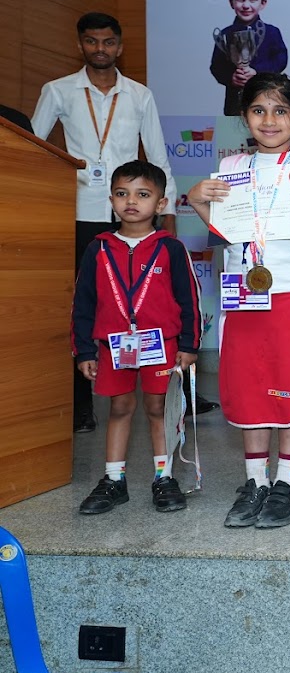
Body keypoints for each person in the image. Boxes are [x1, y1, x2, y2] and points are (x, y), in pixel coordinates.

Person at [185, 73, 290, 529]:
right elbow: (226, 232)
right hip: (244, 299)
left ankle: (286, 484)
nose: (269, 120)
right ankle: (255, 482)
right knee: (251, 388)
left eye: (280, 111)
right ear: (244, 116)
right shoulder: (231, 168)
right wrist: (197, 202)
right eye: (258, 110)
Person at [33, 12, 179, 433]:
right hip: (78, 213)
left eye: (109, 42)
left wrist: (167, 215)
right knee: (83, 307)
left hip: (134, 217)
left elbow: (157, 156)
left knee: (144, 302)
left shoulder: (139, 95)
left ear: (120, 45)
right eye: (92, 41)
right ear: (80, 44)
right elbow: (34, 148)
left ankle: (165, 384)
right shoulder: (57, 90)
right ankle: (81, 405)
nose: (101, 49)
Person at [71, 161, 200, 515]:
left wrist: (188, 345)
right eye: (122, 193)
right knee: (120, 408)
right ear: (111, 199)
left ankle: (164, 477)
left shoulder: (170, 248)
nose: (131, 201)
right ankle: (114, 480)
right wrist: (84, 350)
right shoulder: (98, 249)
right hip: (114, 346)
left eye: (143, 194)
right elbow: (83, 302)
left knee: (158, 408)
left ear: (161, 203)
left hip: (162, 345)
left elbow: (189, 299)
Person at [210, 0, 289, 117]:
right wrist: (231, 77)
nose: (246, 5)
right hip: (234, 104)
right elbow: (216, 66)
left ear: (263, 3)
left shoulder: (272, 32)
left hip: (266, 100)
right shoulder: (224, 35)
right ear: (231, 2)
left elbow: (281, 60)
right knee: (234, 130)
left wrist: (257, 72)